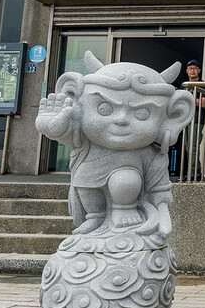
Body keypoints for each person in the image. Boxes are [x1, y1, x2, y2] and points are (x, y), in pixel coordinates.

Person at [34, 51, 194, 237]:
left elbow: (159, 186)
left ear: (174, 114)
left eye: (141, 114)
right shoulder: (86, 141)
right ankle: (95, 216)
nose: (121, 120)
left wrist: (162, 209)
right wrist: (53, 128)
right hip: (89, 182)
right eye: (104, 109)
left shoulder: (148, 153)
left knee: (125, 179)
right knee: (84, 182)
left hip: (129, 194)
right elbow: (68, 136)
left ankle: (125, 209)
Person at [182, 59, 205, 179]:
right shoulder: (184, 85)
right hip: (185, 119)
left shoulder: (202, 85)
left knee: (193, 147)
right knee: (188, 148)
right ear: (187, 71)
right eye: (190, 68)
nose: (192, 70)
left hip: (198, 119)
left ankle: (194, 173)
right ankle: (194, 172)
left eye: (194, 68)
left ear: (199, 70)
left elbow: (204, 103)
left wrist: (188, 98)